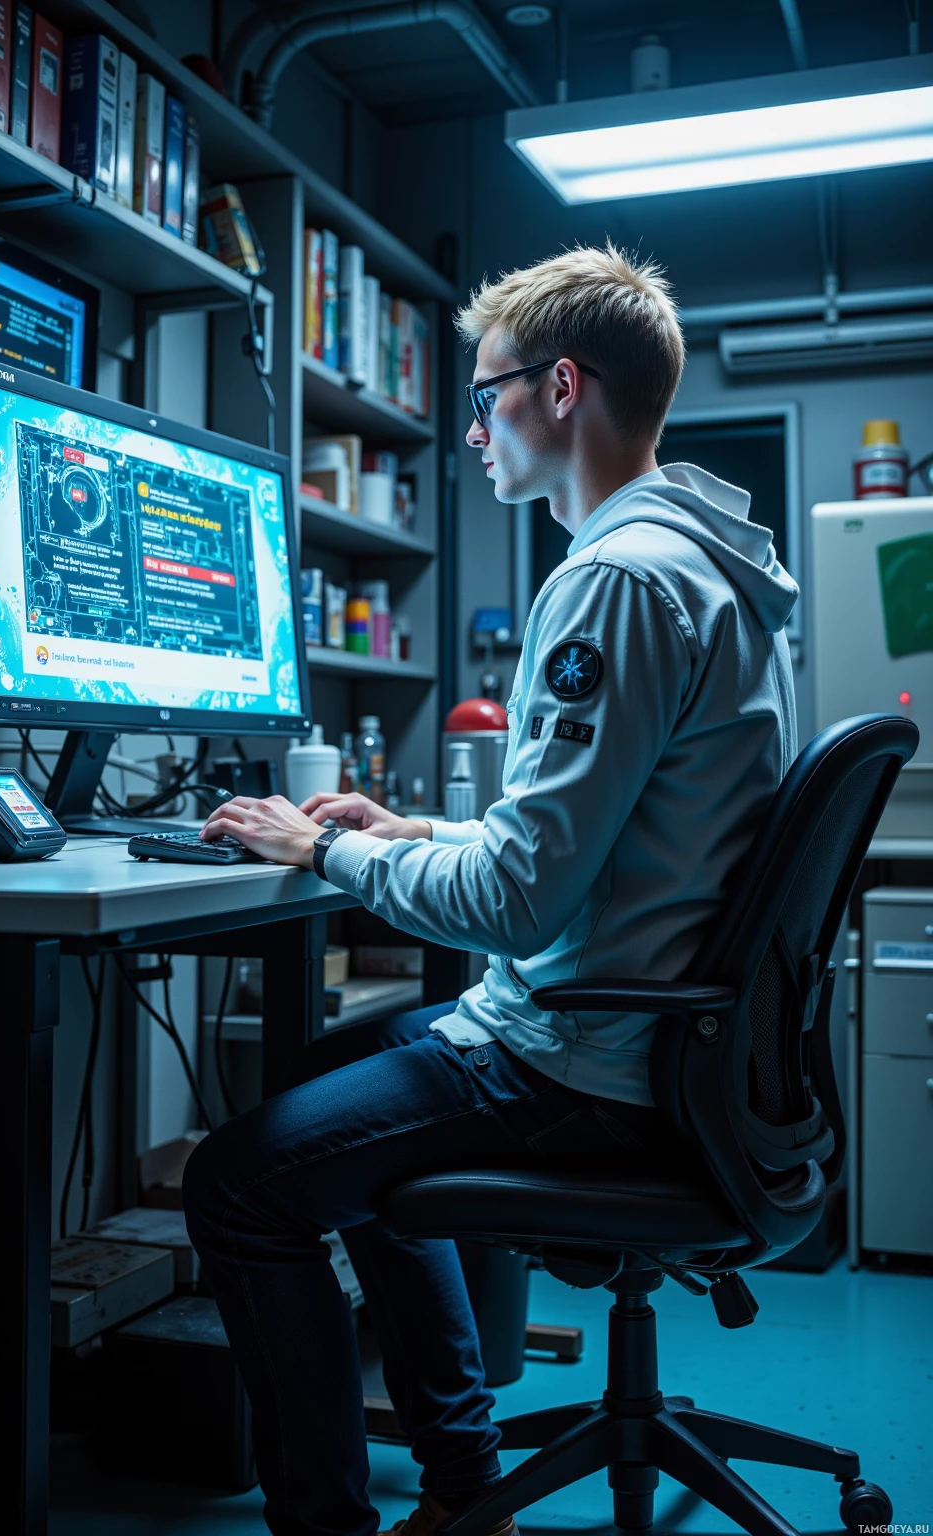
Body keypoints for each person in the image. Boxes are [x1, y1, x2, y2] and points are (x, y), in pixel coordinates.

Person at [183, 243, 799, 1536]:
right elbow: (611, 838)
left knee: (238, 1186)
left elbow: (519, 905)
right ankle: (464, 1486)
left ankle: (338, 1523)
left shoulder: (616, 578)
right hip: (652, 1040)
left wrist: (325, 852)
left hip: (583, 1061)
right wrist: (402, 824)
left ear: (559, 387)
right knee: (322, 1094)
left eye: (485, 395)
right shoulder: (704, 565)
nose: (472, 427)